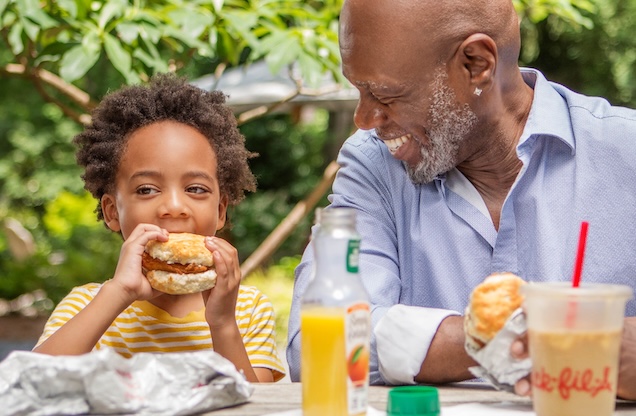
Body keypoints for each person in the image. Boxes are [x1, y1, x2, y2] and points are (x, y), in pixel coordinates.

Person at [286, 0, 636, 399]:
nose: (365, 119)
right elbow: (318, 345)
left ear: (476, 64)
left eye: (385, 95)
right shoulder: (373, 165)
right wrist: (535, 339)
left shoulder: (627, 153)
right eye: (359, 91)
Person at [34, 74, 286, 383]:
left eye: (196, 189)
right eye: (146, 190)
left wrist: (222, 323)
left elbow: (257, 407)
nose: (174, 206)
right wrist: (120, 292)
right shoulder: (88, 305)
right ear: (112, 212)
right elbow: (30, 384)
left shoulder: (246, 309)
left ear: (220, 211)